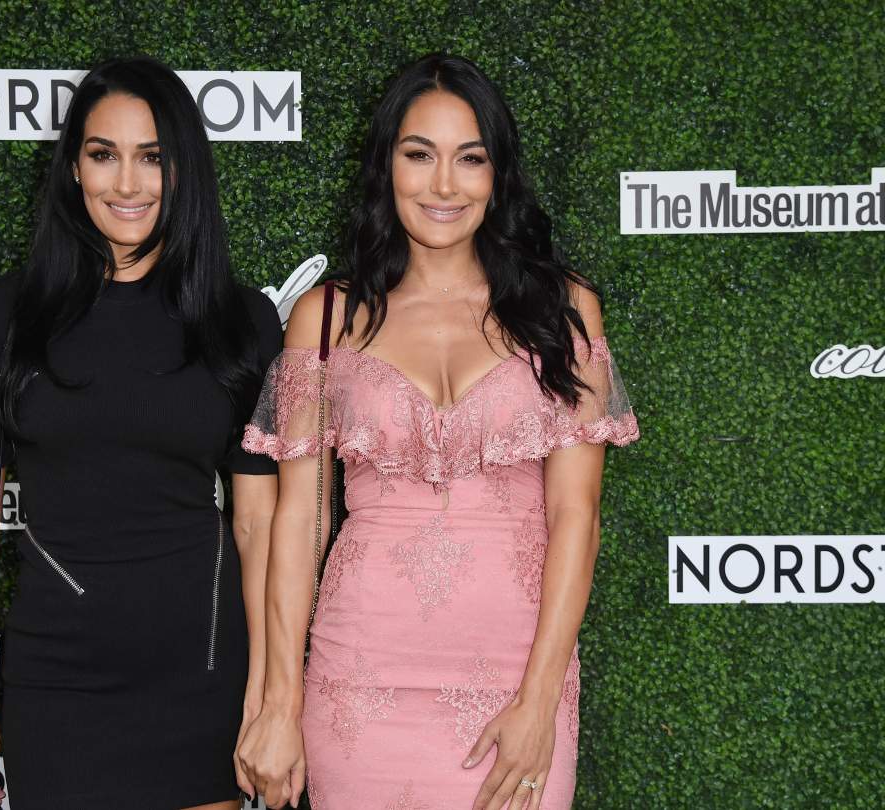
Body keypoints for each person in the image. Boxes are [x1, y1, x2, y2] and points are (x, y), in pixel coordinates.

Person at [237, 54, 639, 810]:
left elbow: (574, 515)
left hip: (514, 677)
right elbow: (299, 520)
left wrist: (540, 701)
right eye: (419, 155)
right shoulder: (326, 319)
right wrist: (278, 705)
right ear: (386, 165)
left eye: (470, 159)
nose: (444, 185)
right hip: (359, 676)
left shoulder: (564, 310)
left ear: (499, 174)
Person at [0, 56, 281, 809]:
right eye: (104, 154)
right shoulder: (5, 316)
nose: (127, 184)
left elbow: (258, 523)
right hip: (56, 673)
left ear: (185, 169)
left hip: (202, 668)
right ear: (72, 169)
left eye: (153, 157)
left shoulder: (241, 319)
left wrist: (267, 693)